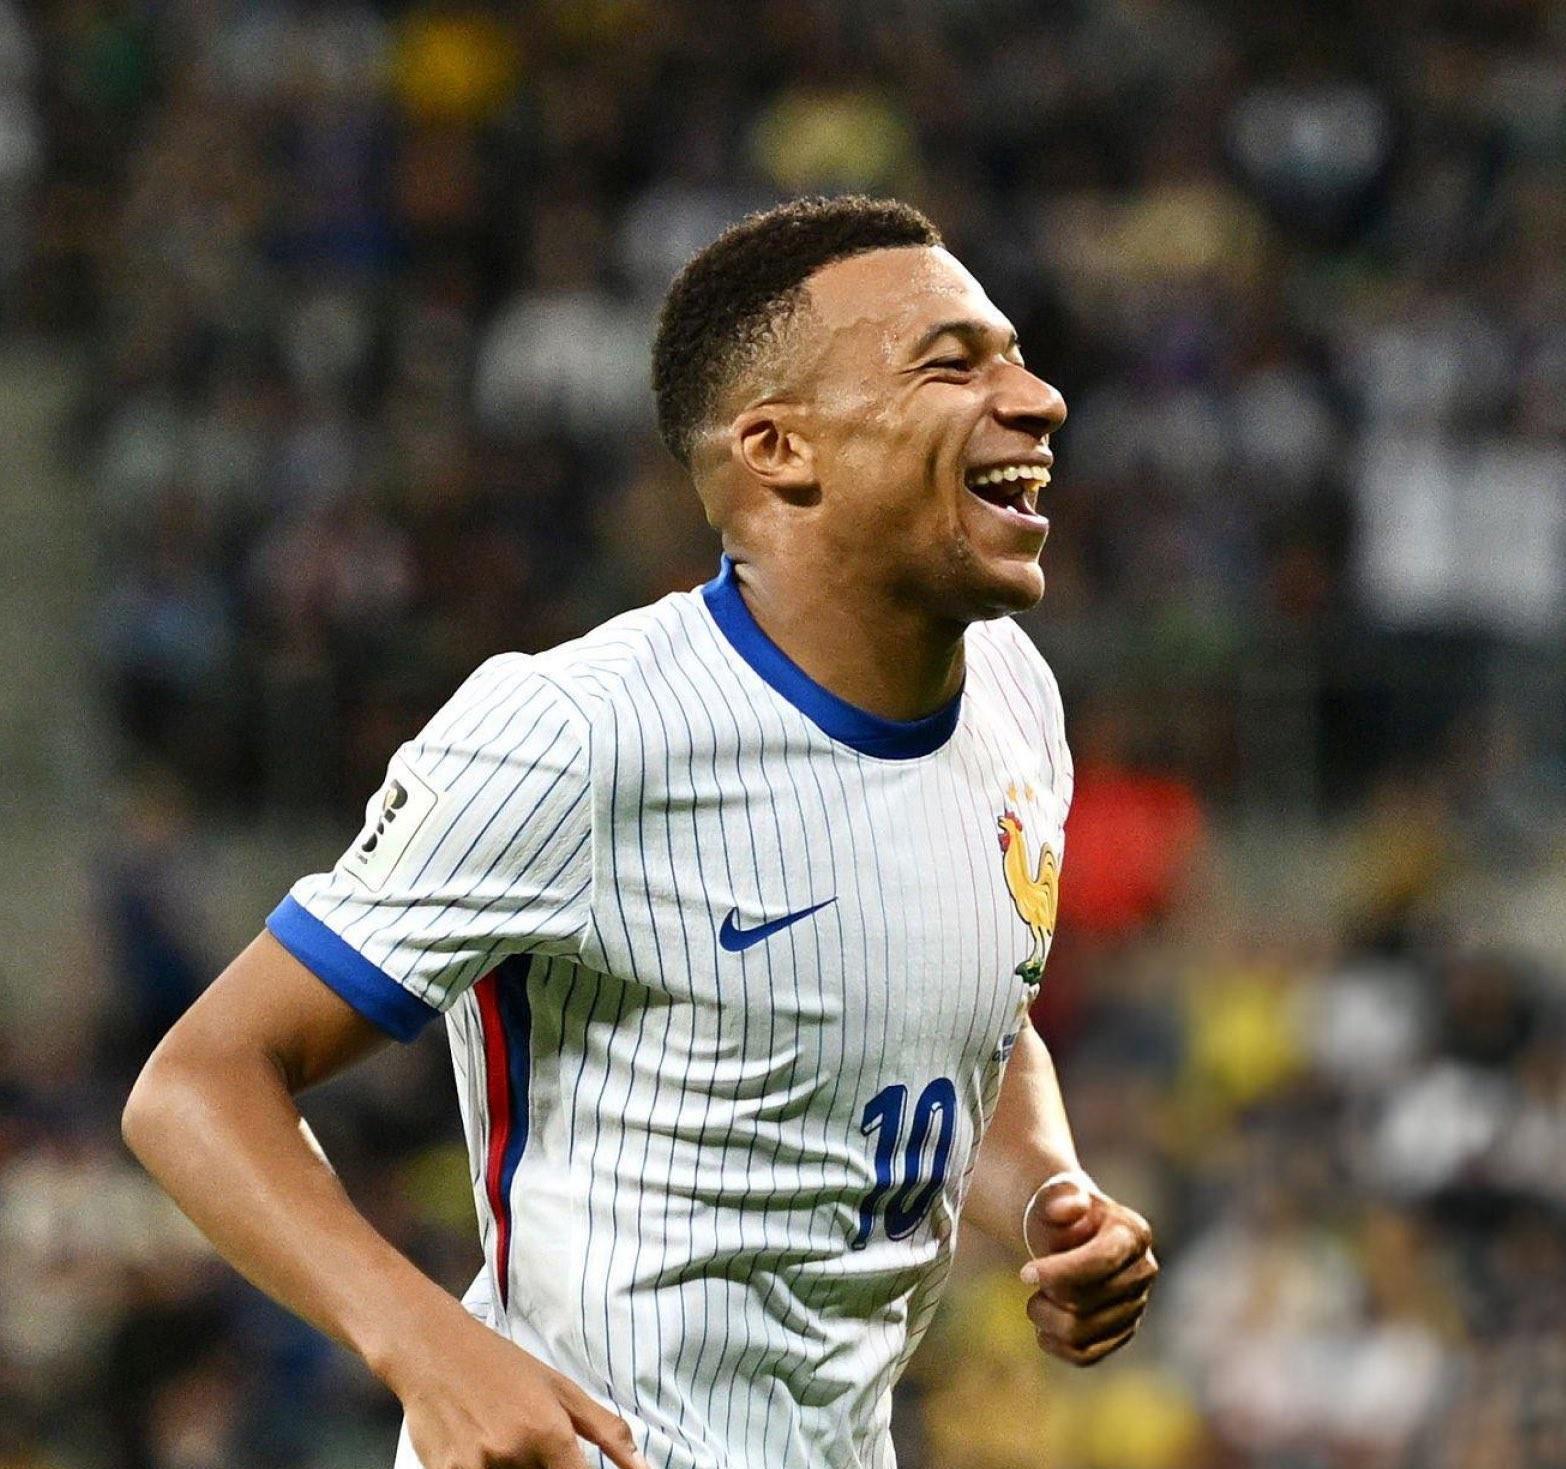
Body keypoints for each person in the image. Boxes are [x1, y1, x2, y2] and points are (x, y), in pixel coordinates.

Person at [123, 195, 1157, 1469]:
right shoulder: (579, 732)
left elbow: (968, 1020)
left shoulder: (1012, 697)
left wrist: (1047, 1196)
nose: (1039, 398)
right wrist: (426, 1343)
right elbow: (197, 1084)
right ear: (780, 448)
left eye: (1017, 355)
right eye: (954, 364)